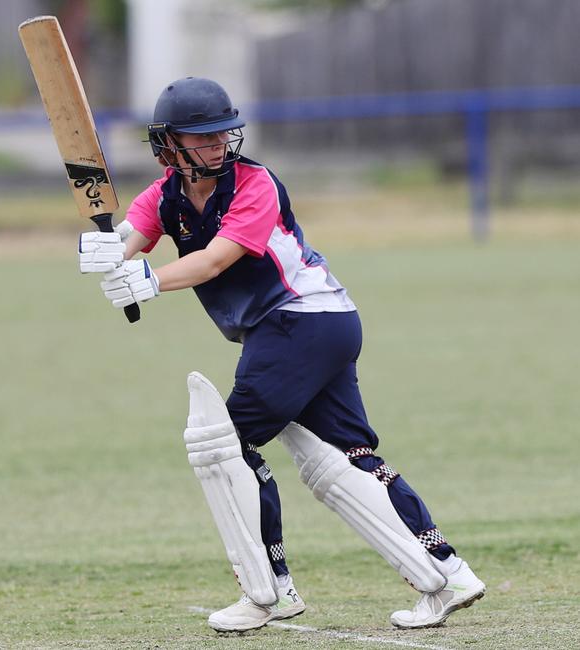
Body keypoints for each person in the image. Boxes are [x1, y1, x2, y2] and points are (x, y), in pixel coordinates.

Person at [78, 77, 485, 633]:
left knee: (226, 445)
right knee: (349, 455)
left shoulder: (255, 185)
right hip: (314, 327)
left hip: (300, 323)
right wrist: (103, 252)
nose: (219, 143)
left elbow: (215, 260)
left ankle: (267, 591)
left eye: (223, 131)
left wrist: (146, 280)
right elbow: (125, 244)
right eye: (202, 136)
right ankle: (449, 570)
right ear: (169, 144)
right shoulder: (162, 197)